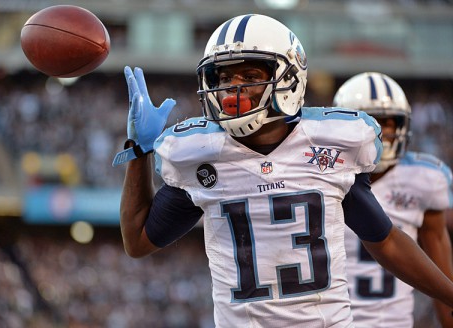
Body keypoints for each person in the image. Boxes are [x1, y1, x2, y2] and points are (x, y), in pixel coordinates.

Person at [113, 14, 453, 327]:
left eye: (249, 76)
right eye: (224, 76)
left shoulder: (328, 146)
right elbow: (137, 242)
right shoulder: (197, 154)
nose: (233, 89)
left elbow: (387, 242)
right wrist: (139, 151)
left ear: (288, 79)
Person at [333, 72, 453, 328]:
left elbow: (442, 275)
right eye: (371, 122)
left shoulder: (424, 179)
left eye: (389, 122)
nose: (381, 131)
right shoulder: (318, 175)